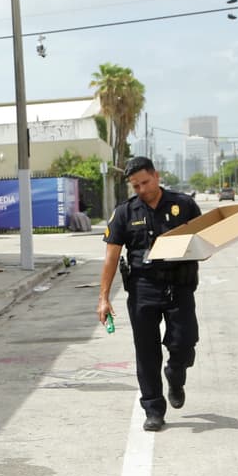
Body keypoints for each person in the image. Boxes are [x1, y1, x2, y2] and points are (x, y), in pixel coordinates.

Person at [97, 156, 201, 432]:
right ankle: (153, 409)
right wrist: (103, 298)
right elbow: (111, 257)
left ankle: (176, 375)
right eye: (135, 186)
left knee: (184, 342)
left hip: (179, 286)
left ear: (156, 175)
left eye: (144, 182)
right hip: (143, 288)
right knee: (146, 352)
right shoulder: (125, 213)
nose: (141, 189)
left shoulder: (185, 205)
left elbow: (204, 241)